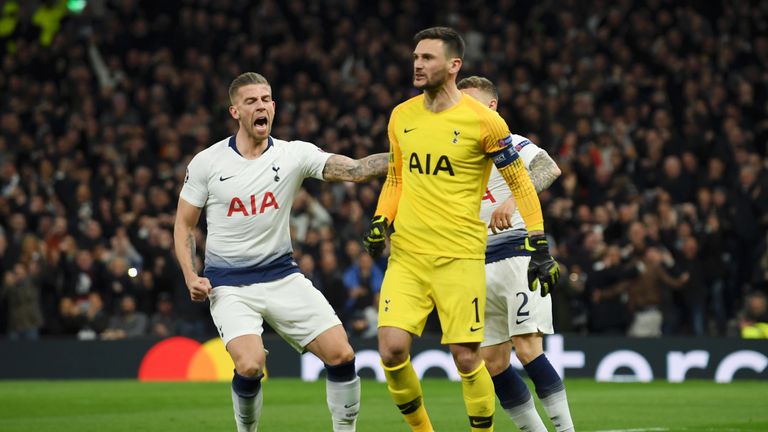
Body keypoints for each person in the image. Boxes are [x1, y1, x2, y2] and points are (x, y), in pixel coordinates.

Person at [363, 28, 559, 432]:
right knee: (391, 349)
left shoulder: (485, 121)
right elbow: (397, 178)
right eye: (416, 56)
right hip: (409, 255)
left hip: (461, 258)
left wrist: (539, 243)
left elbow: (523, 182)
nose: (418, 64)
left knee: (469, 359)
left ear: (454, 66)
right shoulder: (402, 115)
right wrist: (382, 220)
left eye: (428, 58)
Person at [173, 72, 389, 432]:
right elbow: (184, 225)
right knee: (251, 364)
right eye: (251, 101)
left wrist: (409, 156)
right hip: (229, 284)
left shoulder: (294, 154)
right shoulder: (208, 163)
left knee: (342, 354)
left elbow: (355, 170)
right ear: (235, 111)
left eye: (266, 99)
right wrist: (190, 275)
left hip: (282, 276)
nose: (261, 106)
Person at [458, 76, 575, 432]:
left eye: (471, 102)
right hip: (476, 264)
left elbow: (549, 168)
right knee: (492, 361)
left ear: (491, 106)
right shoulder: (458, 150)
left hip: (518, 255)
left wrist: (515, 197)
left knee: (527, 348)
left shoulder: (509, 141)